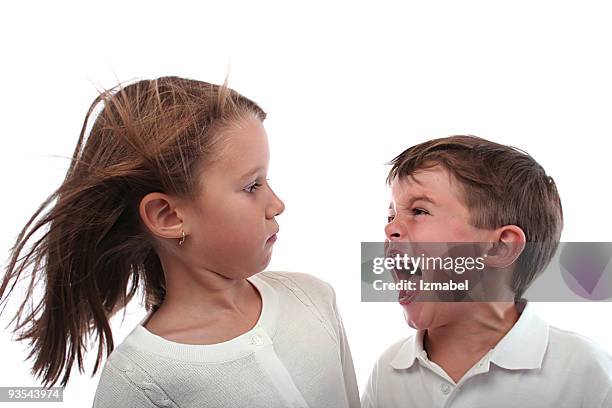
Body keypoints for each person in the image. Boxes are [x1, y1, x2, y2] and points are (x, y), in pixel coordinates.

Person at [0, 76, 359, 407]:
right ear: (168, 217)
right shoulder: (138, 382)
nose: (277, 204)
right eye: (252, 186)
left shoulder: (314, 298)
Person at [361, 135, 612, 407]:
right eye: (391, 216)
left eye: (419, 211)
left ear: (499, 247)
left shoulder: (584, 372)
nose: (390, 229)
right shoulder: (388, 373)